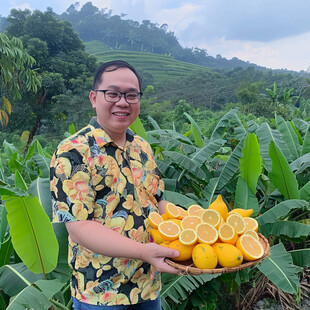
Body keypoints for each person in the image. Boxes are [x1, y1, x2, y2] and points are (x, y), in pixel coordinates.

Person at [50, 60, 181, 309]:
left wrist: (195, 229)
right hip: (101, 293)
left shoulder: (142, 147)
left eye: (132, 95)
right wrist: (143, 252)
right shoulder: (73, 151)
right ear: (94, 98)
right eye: (112, 93)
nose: (123, 102)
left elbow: (158, 202)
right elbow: (78, 227)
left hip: (148, 286)